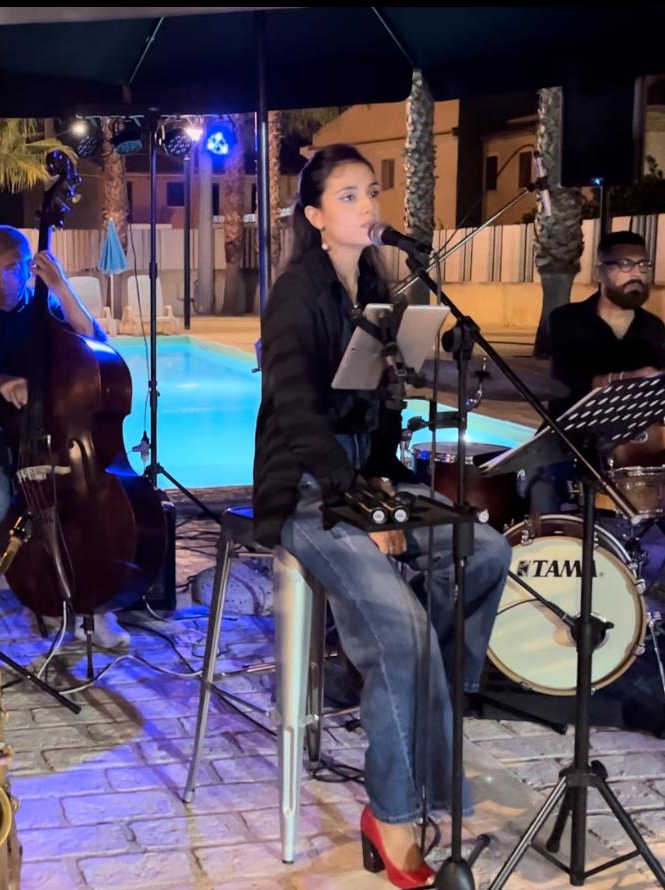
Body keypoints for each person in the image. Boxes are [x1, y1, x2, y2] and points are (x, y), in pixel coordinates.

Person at [252, 144, 512, 888]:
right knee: (400, 632)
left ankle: (428, 727)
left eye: (370, 191)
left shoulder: (375, 287)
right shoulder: (295, 295)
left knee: (485, 552)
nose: (367, 206)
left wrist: (404, 387)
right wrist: (361, 505)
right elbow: (298, 416)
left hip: (366, 479)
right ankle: (394, 814)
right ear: (313, 216)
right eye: (347, 196)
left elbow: (376, 411)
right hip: (308, 491)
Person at [0, 225, 130, 649]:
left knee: (82, 504)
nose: (1, 282)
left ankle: (93, 604)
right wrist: (0, 383)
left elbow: (97, 346)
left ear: (28, 268)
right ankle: (23, 580)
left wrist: (60, 286)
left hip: (47, 441)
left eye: (11, 270)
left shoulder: (46, 309)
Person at [529, 230, 665, 514]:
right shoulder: (567, 319)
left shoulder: (654, 328)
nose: (637, 273)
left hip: (633, 445)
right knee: (541, 487)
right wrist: (625, 379)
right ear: (600, 272)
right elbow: (566, 382)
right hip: (571, 439)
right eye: (625, 264)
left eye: (643, 265)